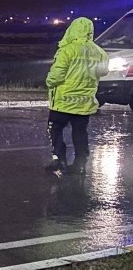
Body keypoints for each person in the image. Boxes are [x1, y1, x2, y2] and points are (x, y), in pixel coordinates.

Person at [44, 16, 107, 174]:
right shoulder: (99, 52)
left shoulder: (67, 50)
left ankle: (59, 159)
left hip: (64, 100)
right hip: (85, 100)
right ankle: (80, 163)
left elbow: (56, 76)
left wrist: (49, 82)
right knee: (80, 132)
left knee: (55, 129)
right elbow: (104, 71)